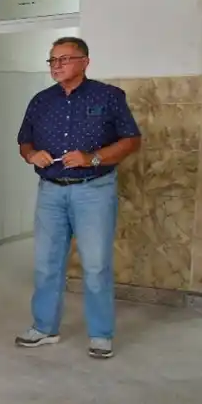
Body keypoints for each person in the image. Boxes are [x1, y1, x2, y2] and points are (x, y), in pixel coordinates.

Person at [15, 36, 141, 359]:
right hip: (50, 191)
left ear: (85, 62)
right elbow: (24, 142)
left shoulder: (108, 96)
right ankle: (44, 327)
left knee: (96, 265)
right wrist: (31, 155)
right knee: (46, 263)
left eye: (64, 59)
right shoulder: (41, 101)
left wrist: (92, 158)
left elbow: (131, 140)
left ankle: (100, 334)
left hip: (93, 190)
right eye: (52, 60)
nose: (56, 65)